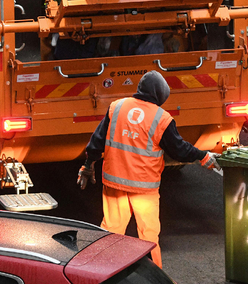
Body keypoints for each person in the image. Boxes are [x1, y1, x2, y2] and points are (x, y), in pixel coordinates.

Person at [76, 70, 221, 268]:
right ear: (159, 95)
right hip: (144, 190)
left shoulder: (117, 107)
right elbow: (179, 150)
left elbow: (96, 142)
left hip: (114, 185)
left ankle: (100, 273)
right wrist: (203, 156)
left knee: (110, 233)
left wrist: (88, 165)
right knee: (148, 237)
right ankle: (155, 283)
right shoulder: (161, 119)